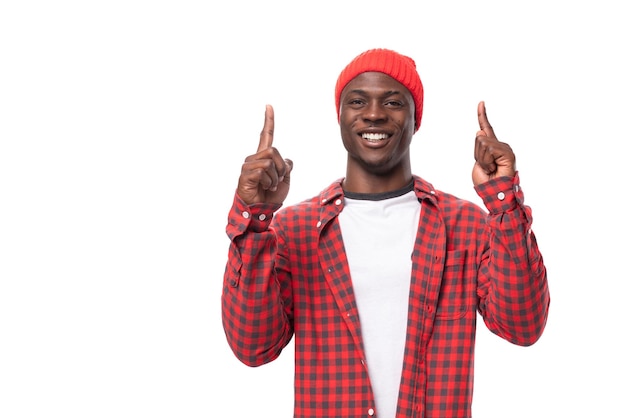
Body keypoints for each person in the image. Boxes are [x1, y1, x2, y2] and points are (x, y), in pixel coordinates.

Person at [221, 48, 550, 418]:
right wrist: (255, 219)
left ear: (415, 119)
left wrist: (503, 200)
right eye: (358, 101)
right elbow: (253, 347)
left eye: (393, 102)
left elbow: (523, 326)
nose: (374, 113)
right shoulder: (294, 230)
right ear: (341, 117)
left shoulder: (466, 225)